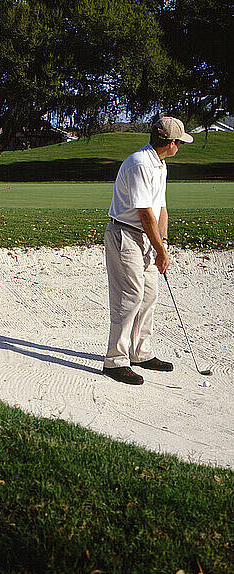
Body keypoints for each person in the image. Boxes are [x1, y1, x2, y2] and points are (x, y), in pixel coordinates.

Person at [102, 116, 193, 385]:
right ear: (172, 142)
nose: (181, 146)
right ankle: (115, 360)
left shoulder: (160, 164)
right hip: (125, 235)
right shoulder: (140, 163)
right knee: (129, 296)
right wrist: (160, 250)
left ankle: (140, 352)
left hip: (146, 237)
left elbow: (160, 208)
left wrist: (162, 244)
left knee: (149, 294)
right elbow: (144, 214)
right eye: (180, 142)